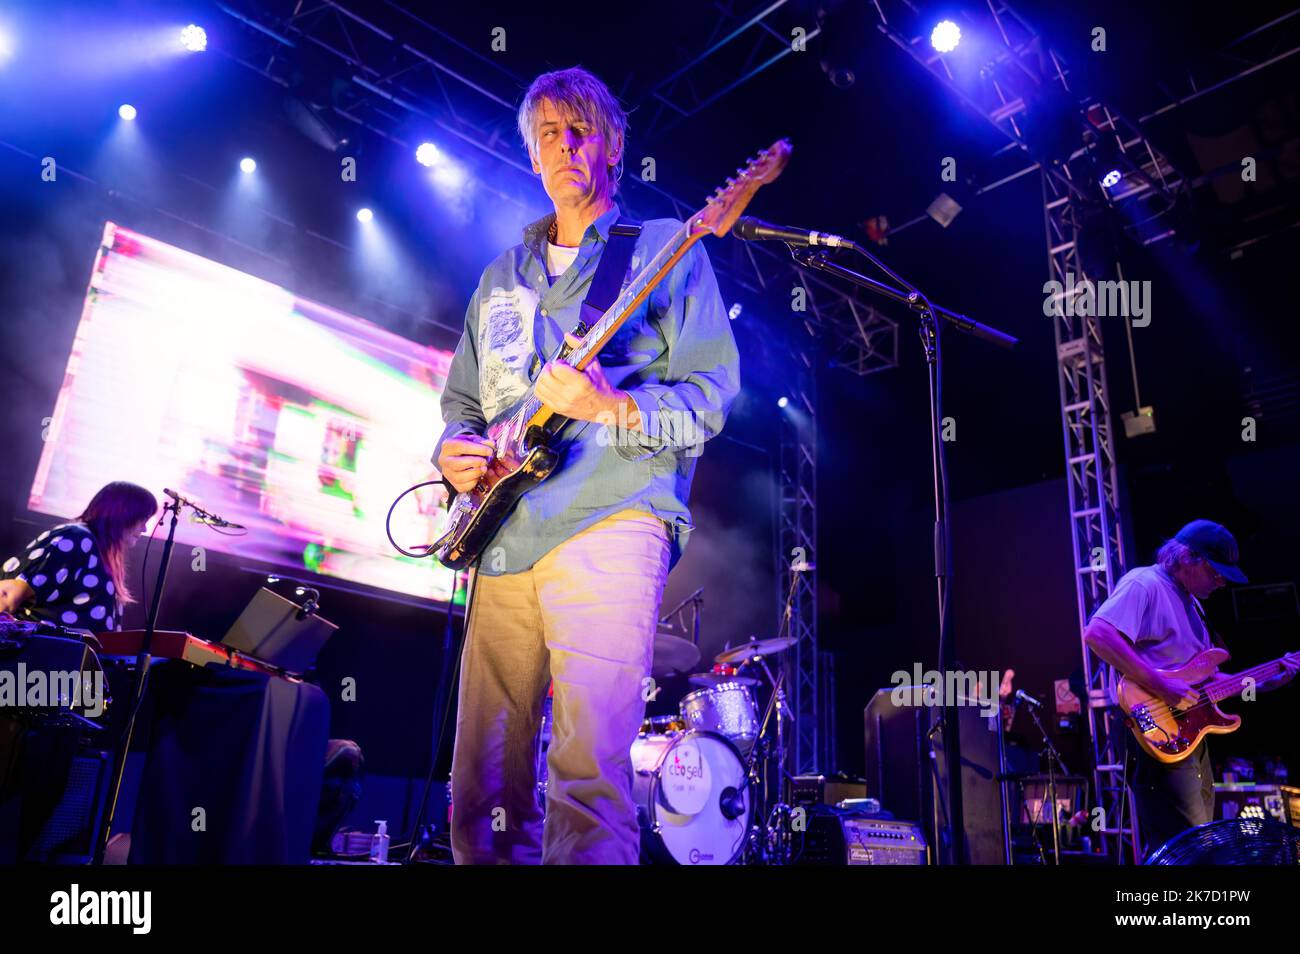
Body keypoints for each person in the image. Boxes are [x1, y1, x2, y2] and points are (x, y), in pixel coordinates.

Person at [433, 66, 740, 864]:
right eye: (548, 136)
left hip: (611, 517)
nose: (564, 148)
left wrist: (612, 407)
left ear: (613, 145)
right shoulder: (502, 275)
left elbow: (712, 396)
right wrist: (452, 451)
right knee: (480, 784)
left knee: (589, 776)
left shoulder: (667, 248)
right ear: (532, 157)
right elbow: (462, 402)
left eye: (581, 131)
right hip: (503, 538)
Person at [1083, 519, 1298, 856]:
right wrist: (1161, 686)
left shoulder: (1194, 605)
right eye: (1215, 572)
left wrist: (1268, 681)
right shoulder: (1145, 583)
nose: (1222, 581)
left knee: (1199, 843)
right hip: (1154, 726)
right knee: (1189, 848)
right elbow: (1097, 634)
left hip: (1192, 737)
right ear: (1187, 557)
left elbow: (1210, 685)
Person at [0, 481, 158, 633]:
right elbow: (6, 594)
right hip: (35, 659)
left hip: (67, 658)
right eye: (142, 520)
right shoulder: (75, 537)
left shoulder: (100, 550)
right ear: (124, 515)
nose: (144, 529)